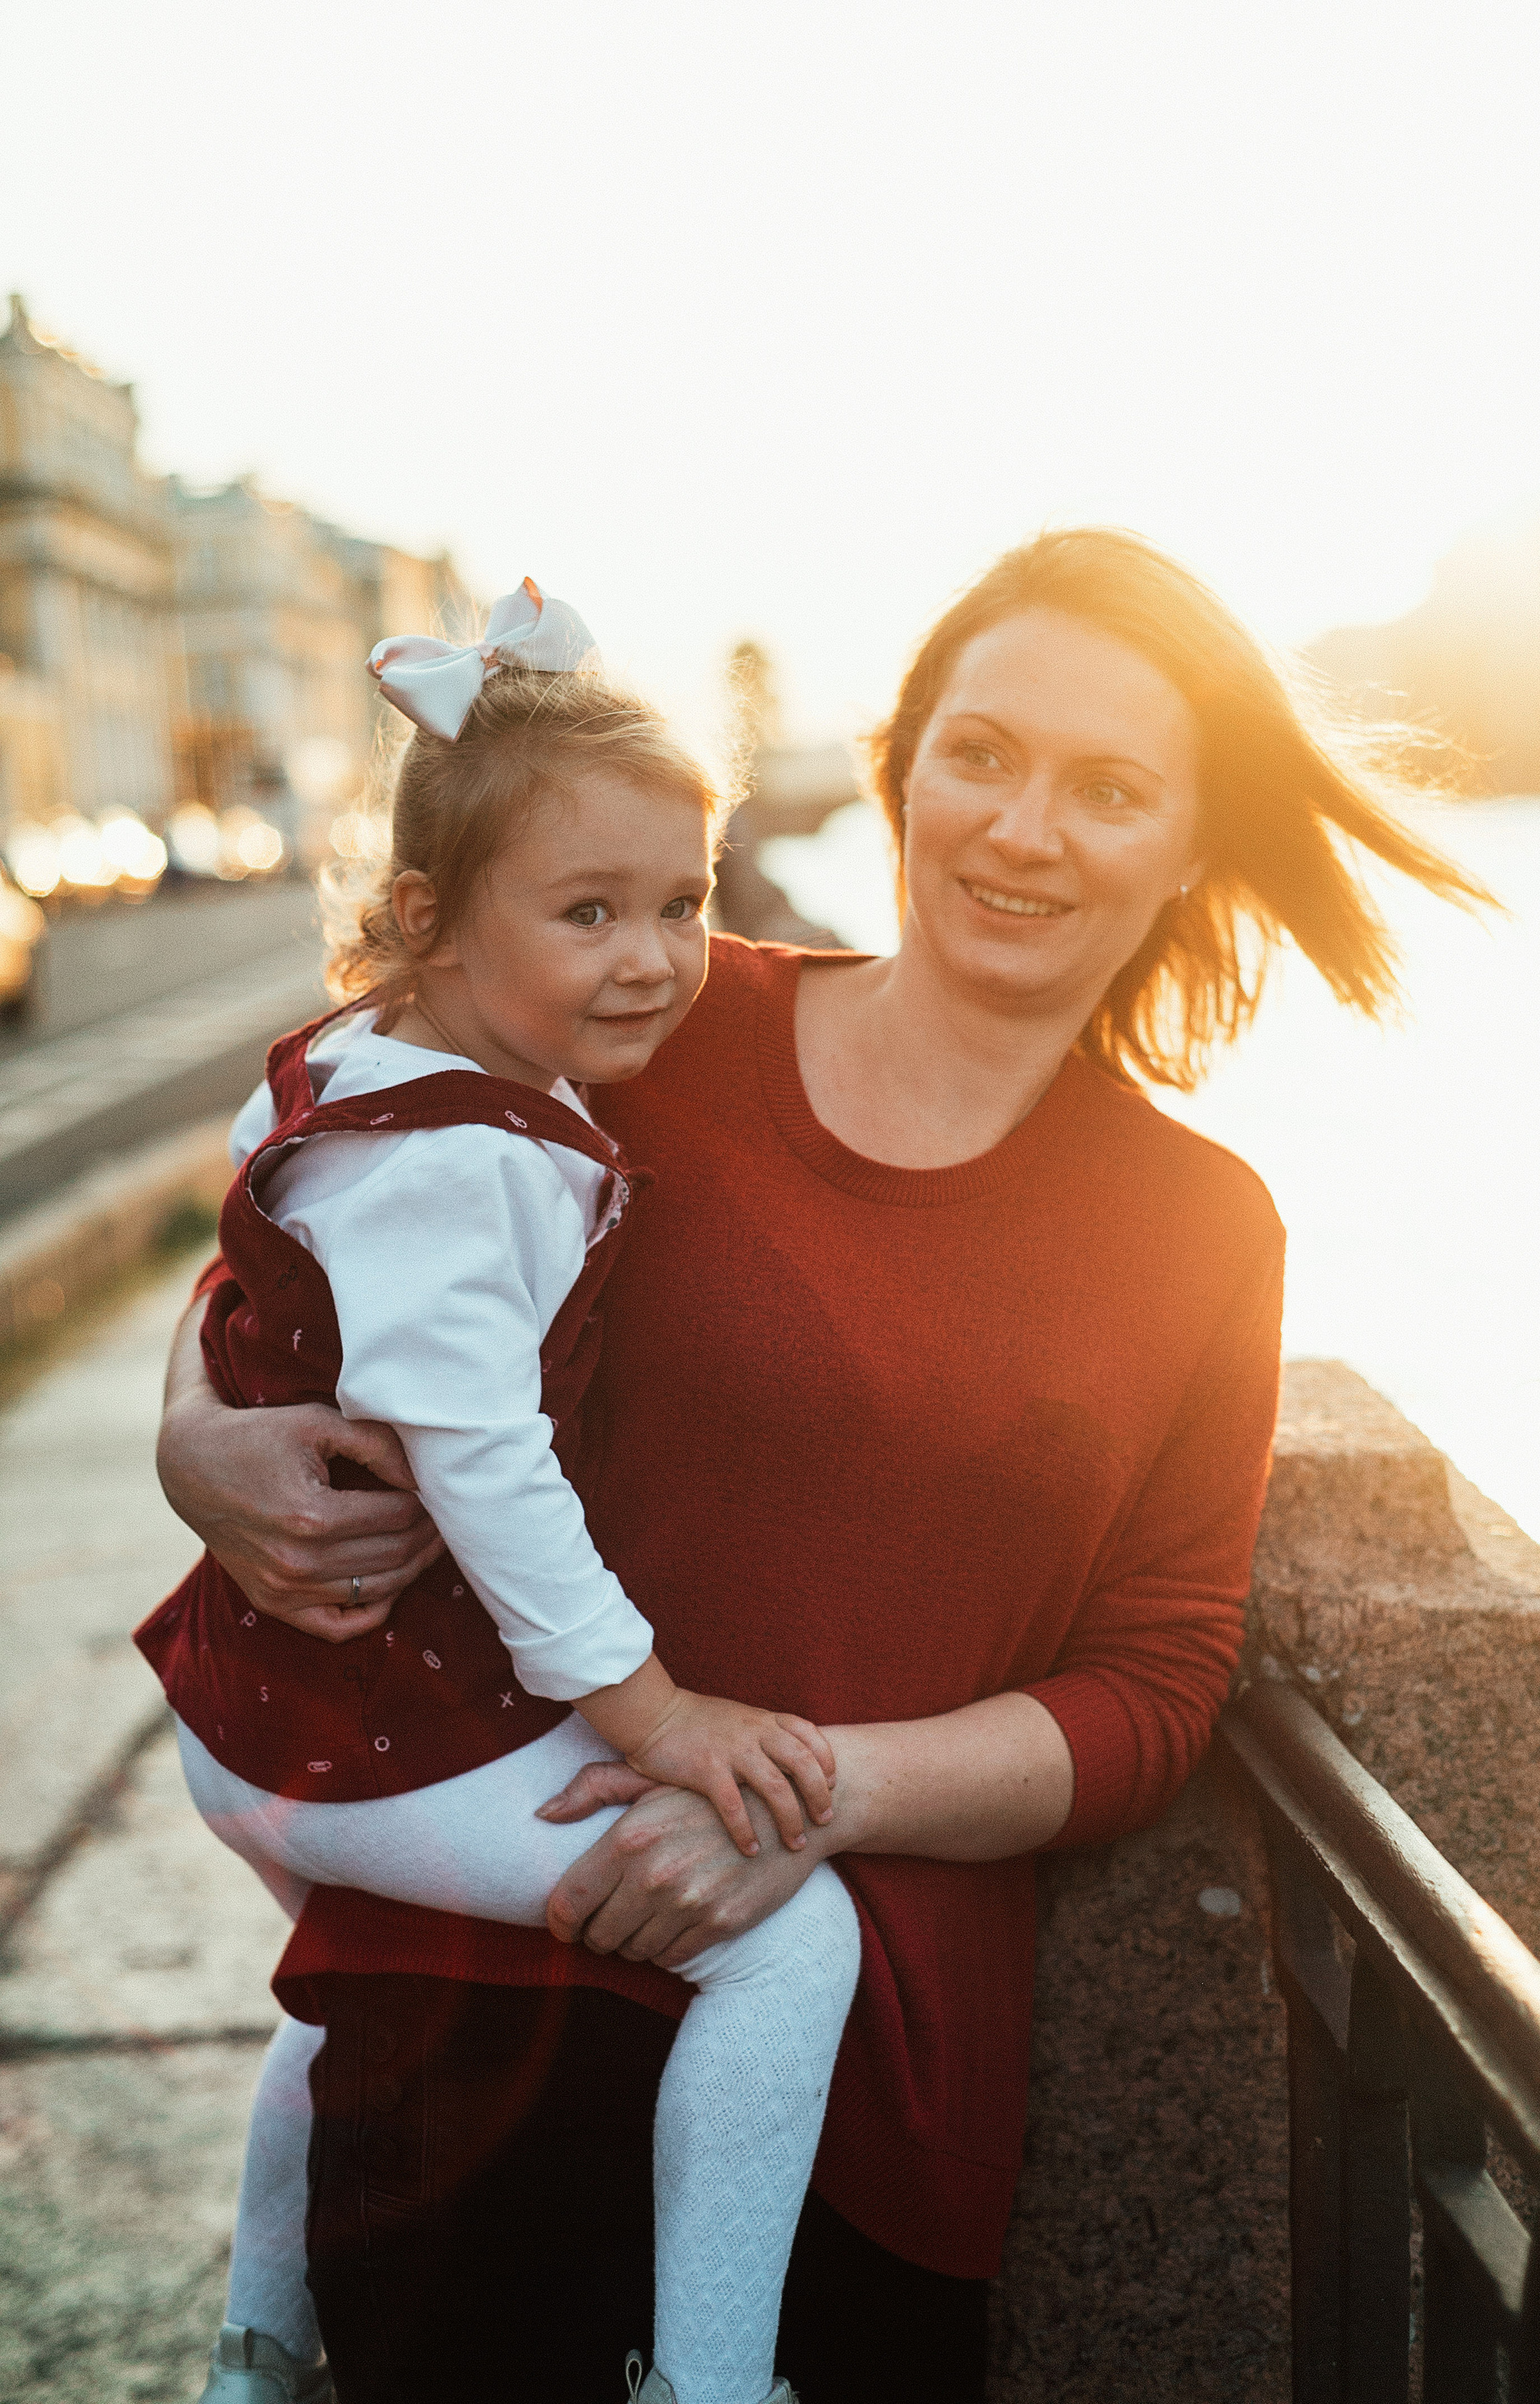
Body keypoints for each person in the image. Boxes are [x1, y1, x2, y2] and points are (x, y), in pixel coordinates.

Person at [156, 530, 1492, 2404]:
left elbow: (1159, 1688)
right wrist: (194, 1432)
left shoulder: (1205, 1228)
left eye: (1110, 790)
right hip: (481, 2009)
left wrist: (793, 1795)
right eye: (984, 752)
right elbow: (315, 1207)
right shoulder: (655, 1013)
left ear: (1189, 841)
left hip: (867, 2055)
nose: (1025, 828)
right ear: (901, 763)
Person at [137, 581, 861, 2404]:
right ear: (425, 921)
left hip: (266, 1709)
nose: (657, 959)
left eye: (685, 904)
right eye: (591, 912)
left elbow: (247, 1267)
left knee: (353, 1961)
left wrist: (193, 1411)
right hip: (372, 1721)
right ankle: (712, 2380)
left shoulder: (364, 1065)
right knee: (792, 1937)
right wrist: (658, 1711)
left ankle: (254, 2349)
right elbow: (487, 1464)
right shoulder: (468, 1159)